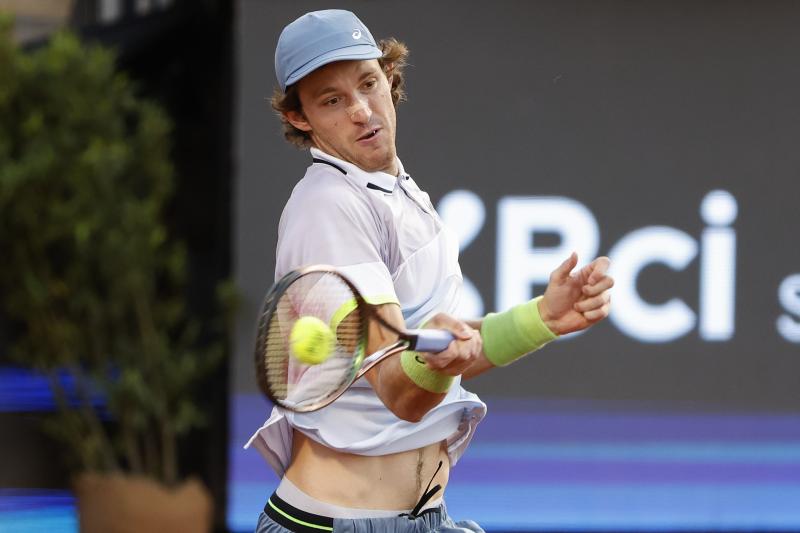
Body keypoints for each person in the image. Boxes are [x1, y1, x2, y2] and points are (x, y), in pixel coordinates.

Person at [245, 9, 614, 533]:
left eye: (368, 84)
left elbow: (445, 353)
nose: (361, 110)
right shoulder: (328, 206)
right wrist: (434, 362)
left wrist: (542, 319)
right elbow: (401, 390)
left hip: (421, 519)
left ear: (389, 79)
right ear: (299, 119)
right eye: (332, 100)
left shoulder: (395, 189)